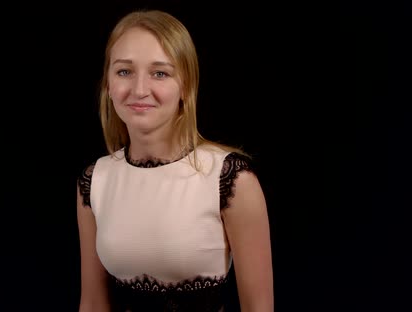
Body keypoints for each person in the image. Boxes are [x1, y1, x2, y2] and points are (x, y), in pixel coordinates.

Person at [76, 9, 273, 312]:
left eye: (160, 73)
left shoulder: (230, 178)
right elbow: (92, 303)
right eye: (124, 71)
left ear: (186, 86)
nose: (140, 90)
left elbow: (259, 307)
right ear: (107, 85)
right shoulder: (95, 181)